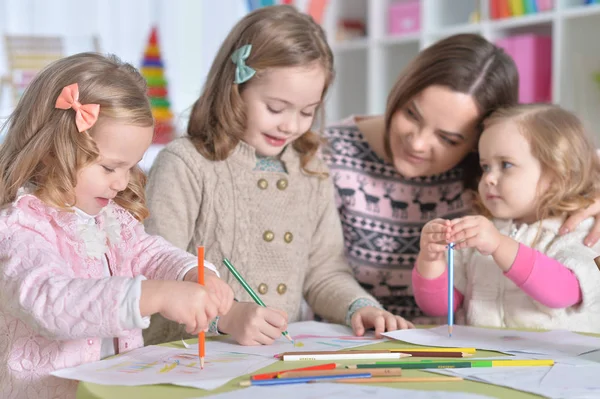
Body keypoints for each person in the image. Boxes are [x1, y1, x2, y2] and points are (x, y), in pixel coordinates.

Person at [143, 5, 413, 348]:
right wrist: (225, 318)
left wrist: (359, 307)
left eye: (306, 112)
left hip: (275, 360)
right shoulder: (185, 164)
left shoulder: (310, 170)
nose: (290, 125)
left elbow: (325, 271)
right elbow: (156, 271)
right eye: (275, 108)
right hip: (186, 357)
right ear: (234, 88)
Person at [0, 53, 234, 399]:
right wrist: (154, 295)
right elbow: (51, 302)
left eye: (132, 167)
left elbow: (149, 253)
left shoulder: (109, 218)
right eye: (110, 168)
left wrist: (192, 272)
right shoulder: (20, 228)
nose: (123, 183)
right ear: (53, 151)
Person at [321, 33, 600, 323]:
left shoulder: (501, 189)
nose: (417, 143)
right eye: (411, 114)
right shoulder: (327, 154)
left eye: (448, 138)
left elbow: (568, 157)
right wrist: (430, 260)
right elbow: (443, 304)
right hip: (361, 335)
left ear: (478, 140)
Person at [413, 104, 600, 332]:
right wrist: (431, 261)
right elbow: (440, 306)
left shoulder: (582, 230)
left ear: (558, 173)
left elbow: (564, 292)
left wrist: (499, 245)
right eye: (485, 167)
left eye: (506, 165)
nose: (489, 178)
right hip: (482, 361)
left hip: (558, 364)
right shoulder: (482, 231)